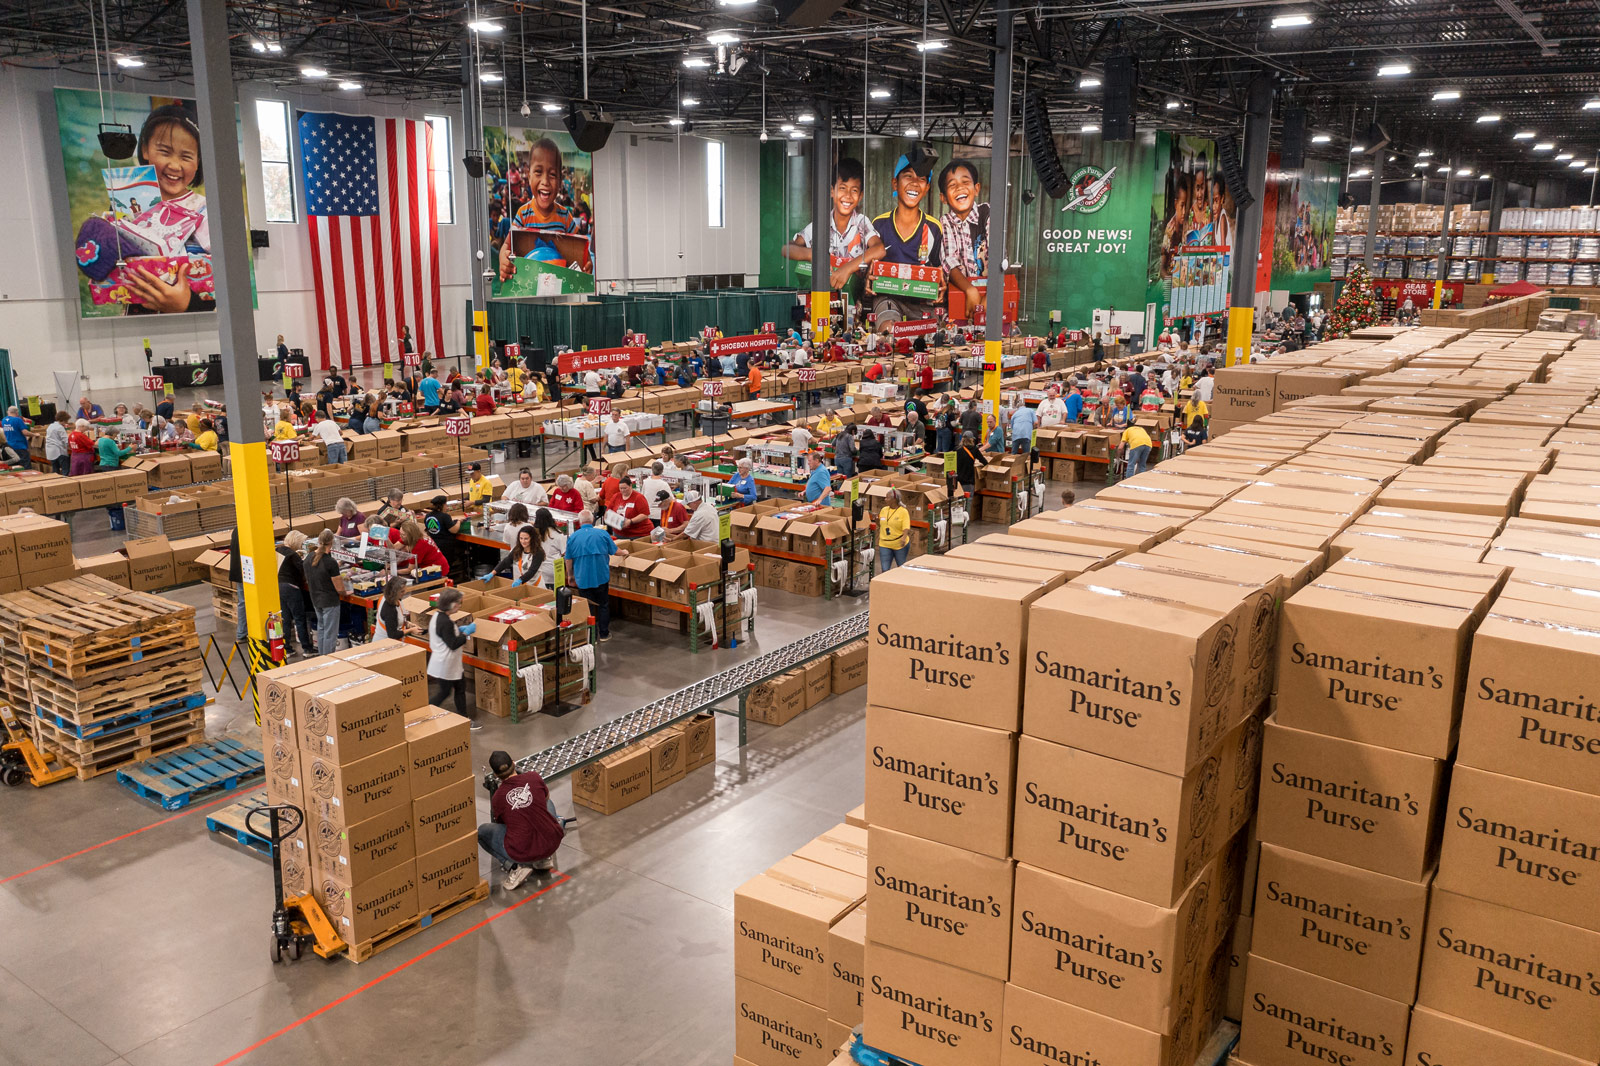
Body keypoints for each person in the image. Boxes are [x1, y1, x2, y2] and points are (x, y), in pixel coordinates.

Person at [478, 749, 564, 890]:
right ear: (513, 763)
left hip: (523, 852)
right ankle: (544, 859)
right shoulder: (534, 777)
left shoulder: (498, 797)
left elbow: (502, 824)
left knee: (482, 832)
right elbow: (545, 798)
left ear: (495, 775)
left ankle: (516, 867)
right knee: (547, 802)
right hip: (551, 843)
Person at [566, 510, 626, 641]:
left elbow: (568, 559)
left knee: (588, 608)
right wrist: (625, 552)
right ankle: (604, 634)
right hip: (601, 577)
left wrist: (570, 576)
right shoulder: (602, 534)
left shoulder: (573, 537)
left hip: (583, 578)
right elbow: (616, 551)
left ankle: (591, 637)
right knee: (603, 605)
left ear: (580, 522)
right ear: (592, 520)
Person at [426, 588, 479, 729]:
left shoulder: (438, 617)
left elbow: (445, 635)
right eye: (458, 604)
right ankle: (425, 713)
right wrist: (466, 634)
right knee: (444, 692)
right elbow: (453, 644)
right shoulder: (446, 622)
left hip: (449, 664)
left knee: (460, 688)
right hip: (446, 665)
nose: (459, 606)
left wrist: (458, 630)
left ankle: (464, 718)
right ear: (452, 605)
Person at [304, 529, 346, 654]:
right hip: (330, 602)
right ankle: (328, 659)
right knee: (330, 633)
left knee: (322, 628)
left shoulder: (308, 558)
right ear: (332, 542)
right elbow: (339, 588)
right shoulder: (330, 562)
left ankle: (322, 656)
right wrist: (345, 593)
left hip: (316, 599)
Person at [277, 530, 314, 656]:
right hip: (291, 587)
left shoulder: (277, 551)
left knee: (285, 619)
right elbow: (303, 570)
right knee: (299, 618)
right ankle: (307, 648)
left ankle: (286, 647)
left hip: (278, 586)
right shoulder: (293, 555)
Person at [422, 496, 464, 576]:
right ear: (442, 505)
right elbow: (454, 530)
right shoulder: (445, 516)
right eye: (446, 504)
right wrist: (458, 521)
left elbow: (428, 530)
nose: (446, 507)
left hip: (434, 546)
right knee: (446, 568)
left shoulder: (428, 516)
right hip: (446, 547)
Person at [877, 489, 911, 573]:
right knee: (885, 569)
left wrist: (904, 537)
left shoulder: (903, 512)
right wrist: (876, 520)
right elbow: (882, 525)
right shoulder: (884, 510)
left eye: (887, 498)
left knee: (901, 567)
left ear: (894, 500)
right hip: (884, 544)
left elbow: (906, 526)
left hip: (899, 544)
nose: (885, 499)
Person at [532, 508, 567, 586]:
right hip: (554, 569)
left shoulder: (534, 534)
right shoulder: (558, 534)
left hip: (539, 568)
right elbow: (565, 553)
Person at [373, 574, 410, 642]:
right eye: (402, 591)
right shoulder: (389, 609)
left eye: (405, 590)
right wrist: (411, 630)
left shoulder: (395, 599)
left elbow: (395, 621)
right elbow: (393, 635)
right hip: (383, 643)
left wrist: (407, 623)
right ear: (394, 592)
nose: (405, 592)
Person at [45, 411, 70, 476]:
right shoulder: (60, 427)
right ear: (64, 420)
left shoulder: (50, 426)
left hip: (50, 451)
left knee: (55, 471)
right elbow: (66, 440)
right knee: (65, 470)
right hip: (59, 451)